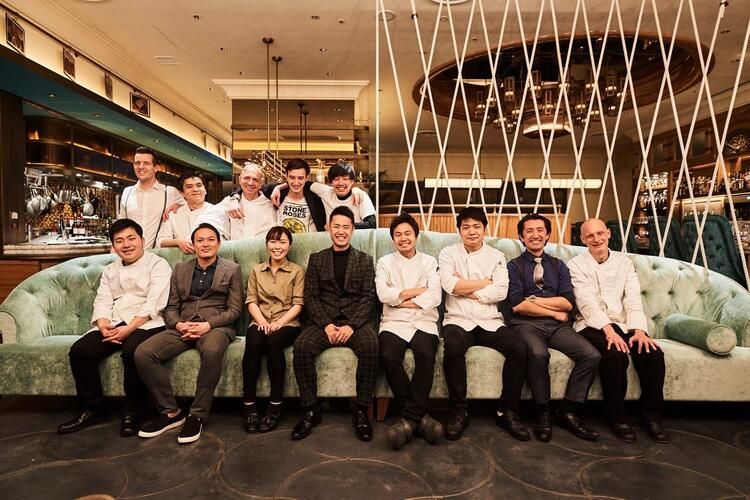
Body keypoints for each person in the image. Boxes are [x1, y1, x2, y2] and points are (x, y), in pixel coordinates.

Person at [57, 219, 171, 437]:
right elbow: (103, 299)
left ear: (142, 240)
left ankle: (134, 411)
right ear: (113, 245)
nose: (126, 245)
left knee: (132, 351)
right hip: (115, 320)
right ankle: (93, 409)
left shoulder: (158, 264)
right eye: (119, 241)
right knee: (81, 351)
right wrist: (102, 324)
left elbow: (154, 302)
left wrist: (129, 329)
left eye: (131, 238)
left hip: (148, 322)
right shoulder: (110, 270)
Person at [135, 223, 243, 444]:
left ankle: (197, 415)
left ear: (219, 243)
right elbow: (171, 307)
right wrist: (178, 325)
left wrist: (208, 325)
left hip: (215, 327)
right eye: (200, 240)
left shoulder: (232, 269)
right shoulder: (180, 269)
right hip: (183, 326)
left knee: (212, 350)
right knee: (143, 352)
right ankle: (171, 412)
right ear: (193, 245)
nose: (205, 244)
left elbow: (234, 310)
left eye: (210, 239)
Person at [567, 218, 669, 444]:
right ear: (582, 240)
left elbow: (632, 299)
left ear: (608, 234)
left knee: (652, 353)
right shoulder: (575, 265)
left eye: (600, 233)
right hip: (591, 324)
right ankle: (617, 417)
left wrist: (638, 331)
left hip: (624, 323)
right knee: (614, 355)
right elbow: (585, 303)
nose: (596, 239)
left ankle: (651, 416)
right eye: (590, 236)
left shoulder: (625, 263)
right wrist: (608, 331)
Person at [507, 213, 601, 442]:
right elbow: (517, 305)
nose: (535, 235)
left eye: (540, 230)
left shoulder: (559, 266)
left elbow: (567, 302)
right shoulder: (514, 266)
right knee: (538, 354)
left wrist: (533, 300)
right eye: (529, 231)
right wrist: (552, 310)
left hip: (558, 326)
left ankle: (567, 410)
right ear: (521, 237)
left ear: (548, 235)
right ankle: (543, 413)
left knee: (591, 355)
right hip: (526, 325)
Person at [439, 207, 529, 441]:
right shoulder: (448, 253)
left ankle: (507, 411)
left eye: (476, 226)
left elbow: (501, 291)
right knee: (453, 347)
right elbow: (450, 285)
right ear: (459, 230)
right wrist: (485, 282)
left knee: (519, 348)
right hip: (458, 319)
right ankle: (459, 410)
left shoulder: (496, 256)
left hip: (489, 320)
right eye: (466, 227)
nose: (471, 231)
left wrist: (467, 289)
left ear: (484, 229)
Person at [291, 206, 378, 441]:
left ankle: (361, 410)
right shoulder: (317, 259)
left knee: (371, 346)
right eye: (336, 226)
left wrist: (351, 326)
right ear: (329, 228)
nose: (341, 231)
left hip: (355, 322)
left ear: (353, 230)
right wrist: (327, 324)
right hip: (323, 321)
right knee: (302, 347)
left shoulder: (365, 260)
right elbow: (311, 297)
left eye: (346, 227)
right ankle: (311, 409)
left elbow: (368, 298)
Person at [376, 212, 443, 450]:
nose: (403, 238)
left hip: (424, 320)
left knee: (426, 355)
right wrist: (418, 291)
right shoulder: (385, 262)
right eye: (398, 234)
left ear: (416, 235)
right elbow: (383, 295)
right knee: (388, 356)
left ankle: (409, 420)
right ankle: (420, 419)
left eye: (408, 233)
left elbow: (434, 296)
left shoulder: (429, 262)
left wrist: (400, 297)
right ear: (393, 238)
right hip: (393, 322)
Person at [242, 226, 304, 433]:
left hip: (288, 323)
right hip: (260, 320)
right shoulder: (256, 270)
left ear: (289, 245)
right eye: (273, 242)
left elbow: (298, 304)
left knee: (273, 342)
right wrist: (262, 322)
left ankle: (275, 405)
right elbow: (251, 301)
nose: (277, 247)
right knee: (253, 342)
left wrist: (279, 323)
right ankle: (249, 405)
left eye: (282, 242)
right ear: (267, 244)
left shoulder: (296, 271)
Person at [271, 160, 376, 229]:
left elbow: (372, 224)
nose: (340, 183)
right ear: (331, 182)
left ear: (352, 181)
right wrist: (278, 187)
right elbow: (302, 182)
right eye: (336, 179)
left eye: (345, 179)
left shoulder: (360, 196)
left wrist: (339, 227)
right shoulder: (326, 192)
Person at [118, 147, 183, 249]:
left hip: (158, 255)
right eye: (137, 163)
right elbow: (120, 227)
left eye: (146, 163)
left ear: (156, 168)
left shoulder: (169, 192)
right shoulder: (127, 192)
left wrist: (179, 206)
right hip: (131, 254)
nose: (141, 166)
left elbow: (191, 210)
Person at [157, 171, 228, 252]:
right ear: (182, 193)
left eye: (199, 185)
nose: (195, 189)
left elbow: (228, 240)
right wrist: (178, 242)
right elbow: (160, 241)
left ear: (205, 190)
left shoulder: (219, 211)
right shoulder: (174, 213)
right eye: (189, 187)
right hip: (184, 258)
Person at [220, 163, 277, 240]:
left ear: (261, 183)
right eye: (247, 178)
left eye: (255, 179)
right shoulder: (229, 202)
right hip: (237, 247)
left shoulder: (272, 203)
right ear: (240, 179)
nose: (250, 183)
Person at [276, 158, 326, 233]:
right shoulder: (278, 196)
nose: (296, 183)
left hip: (309, 240)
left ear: (306, 178)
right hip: (283, 240)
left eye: (300, 178)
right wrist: (277, 187)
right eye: (292, 177)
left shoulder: (316, 200)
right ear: (286, 176)